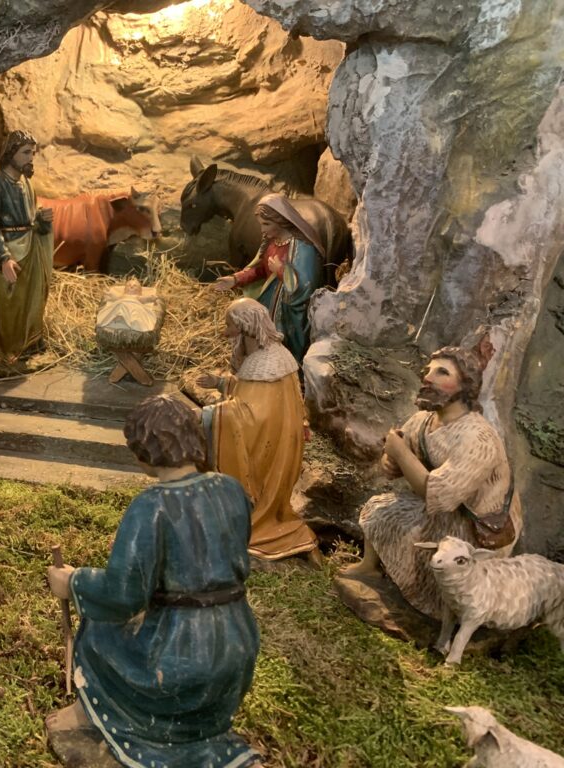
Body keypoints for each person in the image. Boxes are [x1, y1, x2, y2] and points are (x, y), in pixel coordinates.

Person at [47, 395, 261, 768]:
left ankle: (100, 718)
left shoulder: (151, 507)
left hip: (181, 654)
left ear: (143, 453)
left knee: (100, 629)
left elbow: (123, 595)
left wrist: (74, 582)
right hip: (238, 642)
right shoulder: (231, 489)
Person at [344, 347, 523, 619]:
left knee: (443, 563)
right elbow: (397, 463)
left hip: (474, 529)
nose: (428, 377)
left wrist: (400, 454)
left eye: (442, 372)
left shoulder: (479, 438)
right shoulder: (423, 421)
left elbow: (438, 495)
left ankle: (445, 608)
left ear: (465, 386)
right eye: (428, 370)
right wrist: (391, 461)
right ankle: (369, 567)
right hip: (439, 513)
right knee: (378, 510)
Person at [197, 298, 319, 563]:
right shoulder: (267, 358)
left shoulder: (269, 362)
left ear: (244, 327)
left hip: (268, 451)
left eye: (229, 324)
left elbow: (253, 417)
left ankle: (257, 521)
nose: (225, 330)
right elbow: (252, 394)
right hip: (274, 442)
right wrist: (220, 382)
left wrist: (210, 415)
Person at [213, 193, 325, 364]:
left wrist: (281, 271)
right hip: (268, 306)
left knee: (285, 352)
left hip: (291, 316)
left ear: (281, 221)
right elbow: (259, 270)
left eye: (266, 224)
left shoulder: (303, 247)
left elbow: (306, 286)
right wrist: (235, 279)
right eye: (261, 224)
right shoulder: (272, 242)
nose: (262, 230)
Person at [0, 130, 54, 375]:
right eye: (26, 153)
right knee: (9, 305)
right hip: (9, 253)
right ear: (11, 153)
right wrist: (3, 259)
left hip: (29, 249)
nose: (31, 158)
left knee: (30, 302)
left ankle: (28, 349)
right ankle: (4, 354)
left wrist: (41, 220)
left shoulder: (27, 184)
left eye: (33, 153)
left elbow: (29, 219)